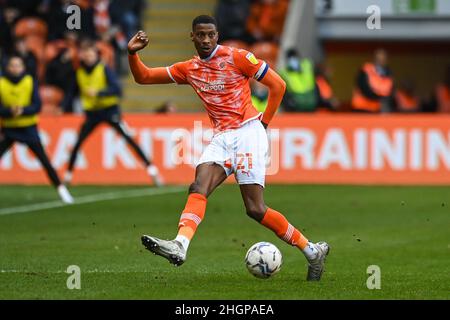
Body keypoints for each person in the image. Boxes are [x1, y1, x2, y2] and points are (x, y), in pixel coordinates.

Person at [128, 15, 330, 281]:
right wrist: (131, 54)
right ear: (192, 37)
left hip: (248, 132)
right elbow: (143, 77)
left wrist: (264, 125)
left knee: (255, 209)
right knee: (198, 187)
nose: (206, 40)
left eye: (210, 34)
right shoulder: (188, 69)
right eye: (200, 35)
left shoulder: (238, 58)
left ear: (217, 35)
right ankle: (180, 244)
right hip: (222, 137)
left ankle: (311, 251)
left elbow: (278, 86)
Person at [64, 40, 163, 186]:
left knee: (129, 139)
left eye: (91, 54)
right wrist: (63, 107)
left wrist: (99, 93)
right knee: (78, 142)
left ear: (96, 55)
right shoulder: (78, 73)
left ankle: (152, 170)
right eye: (86, 54)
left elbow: (117, 90)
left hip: (110, 111)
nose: (89, 57)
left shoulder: (104, 69)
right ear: (82, 56)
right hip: (92, 114)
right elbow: (71, 93)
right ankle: (68, 175)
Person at [0, 55, 74, 204]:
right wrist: (9, 112)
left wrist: (22, 110)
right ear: (8, 68)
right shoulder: (1, 83)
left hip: (28, 129)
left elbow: (37, 106)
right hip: (9, 129)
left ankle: (61, 190)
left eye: (18, 65)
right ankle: (61, 190)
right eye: (12, 65)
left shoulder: (29, 81)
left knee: (45, 161)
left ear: (23, 67)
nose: (15, 68)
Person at [351, 49, 394, 113]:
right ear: (374, 59)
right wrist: (379, 98)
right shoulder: (365, 70)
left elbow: (390, 90)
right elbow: (364, 88)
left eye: (383, 59)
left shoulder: (388, 73)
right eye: (379, 59)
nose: (381, 61)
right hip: (361, 108)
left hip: (376, 109)